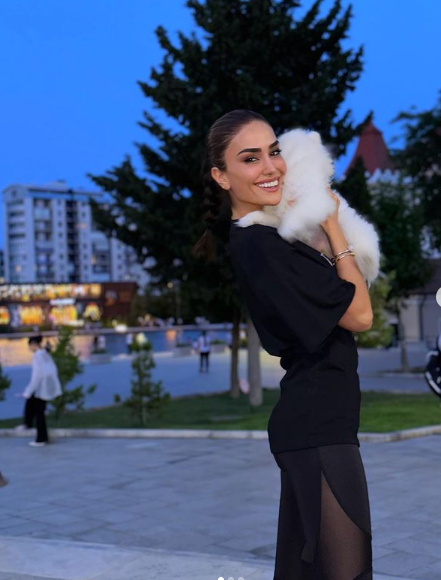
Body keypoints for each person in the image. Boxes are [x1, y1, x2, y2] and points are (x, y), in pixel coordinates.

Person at [192, 110, 374, 580]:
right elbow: (360, 315)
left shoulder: (269, 237)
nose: (271, 166)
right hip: (318, 429)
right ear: (221, 176)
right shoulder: (264, 246)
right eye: (250, 158)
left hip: (314, 426)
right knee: (347, 572)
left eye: (274, 151)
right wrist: (333, 226)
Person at [18, 335, 62, 447]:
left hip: (41, 388)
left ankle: (41, 439)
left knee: (39, 413)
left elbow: (37, 376)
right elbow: (52, 371)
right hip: (45, 387)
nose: (29, 348)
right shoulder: (44, 354)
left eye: (29, 345)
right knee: (32, 405)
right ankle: (28, 424)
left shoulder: (37, 356)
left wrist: (28, 391)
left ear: (33, 344)